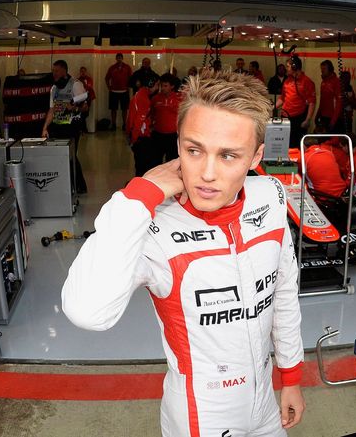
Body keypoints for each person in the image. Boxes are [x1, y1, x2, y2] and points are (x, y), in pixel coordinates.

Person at [63, 71, 305, 437]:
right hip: (201, 412)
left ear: (256, 156)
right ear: (177, 146)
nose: (207, 173)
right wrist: (137, 198)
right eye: (194, 150)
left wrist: (291, 375)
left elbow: (283, 292)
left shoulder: (269, 194)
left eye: (228, 155)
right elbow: (87, 312)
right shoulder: (151, 224)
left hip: (265, 400)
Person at [41, 60, 89, 194]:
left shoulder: (75, 85)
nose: (54, 73)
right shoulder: (54, 89)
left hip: (72, 126)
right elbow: (51, 110)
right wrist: (45, 128)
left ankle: (79, 186)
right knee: (59, 156)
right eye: (53, 71)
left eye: (56, 71)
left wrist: (73, 107)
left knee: (71, 155)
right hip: (58, 126)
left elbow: (85, 107)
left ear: (64, 71)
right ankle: (64, 185)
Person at [275, 55, 316, 148]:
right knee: (284, 144)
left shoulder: (307, 82)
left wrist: (307, 120)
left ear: (294, 67)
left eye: (288, 66)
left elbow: (312, 102)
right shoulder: (287, 80)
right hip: (284, 117)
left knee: (295, 145)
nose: (286, 69)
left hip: (297, 119)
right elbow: (282, 98)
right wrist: (272, 107)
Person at [125, 75, 159, 177]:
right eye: (157, 85)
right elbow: (138, 122)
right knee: (143, 167)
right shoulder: (144, 99)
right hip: (141, 138)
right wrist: (133, 140)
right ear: (150, 84)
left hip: (138, 136)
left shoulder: (139, 94)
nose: (158, 88)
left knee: (141, 165)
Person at [150, 73, 182, 166]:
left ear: (172, 86)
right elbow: (151, 114)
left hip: (173, 136)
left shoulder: (180, 98)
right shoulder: (155, 99)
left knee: (172, 164)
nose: (163, 88)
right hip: (158, 135)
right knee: (155, 162)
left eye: (165, 86)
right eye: (161, 85)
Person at [105, 53, 132, 131]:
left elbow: (131, 78)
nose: (119, 59)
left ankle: (124, 124)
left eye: (120, 57)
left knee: (125, 109)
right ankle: (113, 125)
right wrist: (109, 87)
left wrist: (128, 87)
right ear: (116, 59)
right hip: (113, 92)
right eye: (118, 58)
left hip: (124, 92)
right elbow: (106, 78)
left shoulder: (127, 67)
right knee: (113, 109)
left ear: (122, 58)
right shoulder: (112, 68)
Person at [316, 60, 342, 132]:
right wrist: (318, 114)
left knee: (332, 141)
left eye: (324, 69)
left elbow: (339, 103)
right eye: (321, 69)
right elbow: (322, 101)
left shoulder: (337, 82)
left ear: (330, 69)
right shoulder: (323, 82)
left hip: (333, 117)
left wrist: (333, 121)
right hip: (324, 117)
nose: (322, 71)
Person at [78, 66, 96, 131]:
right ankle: (84, 128)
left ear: (86, 72)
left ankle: (83, 128)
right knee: (83, 113)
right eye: (81, 71)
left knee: (86, 113)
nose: (82, 73)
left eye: (84, 71)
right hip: (81, 98)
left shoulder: (89, 79)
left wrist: (83, 84)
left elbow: (89, 87)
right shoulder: (78, 79)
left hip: (88, 97)